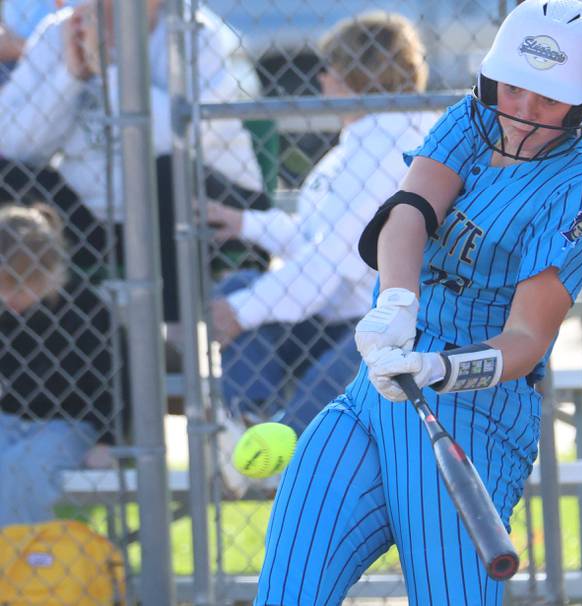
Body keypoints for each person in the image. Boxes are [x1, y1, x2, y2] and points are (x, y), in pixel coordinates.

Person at [252, 1, 582, 603]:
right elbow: (411, 211)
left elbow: (527, 340)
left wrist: (442, 370)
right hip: (374, 393)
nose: (521, 113)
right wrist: (396, 303)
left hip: (472, 416)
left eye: (546, 101)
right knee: (289, 587)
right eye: (513, 88)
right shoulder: (473, 119)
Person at [207, 11, 437, 437]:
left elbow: (330, 264)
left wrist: (241, 312)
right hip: (342, 313)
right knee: (240, 285)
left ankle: (277, 443)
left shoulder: (386, 144)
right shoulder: (365, 138)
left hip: (392, 323)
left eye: (328, 69)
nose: (321, 80)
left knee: (247, 303)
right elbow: (318, 237)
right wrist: (246, 224)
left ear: (351, 78)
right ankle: (249, 424)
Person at [0, 0, 263, 321]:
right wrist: (70, 77)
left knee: (166, 172)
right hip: (94, 221)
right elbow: (10, 145)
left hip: (201, 211)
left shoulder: (193, 32)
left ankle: (174, 337)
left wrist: (111, 69)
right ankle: (25, 325)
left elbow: (176, 139)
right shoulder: (60, 31)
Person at [0, 204, 123, 526]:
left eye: (17, 286)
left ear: (49, 274)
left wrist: (108, 442)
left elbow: (113, 382)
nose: (7, 296)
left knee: (18, 470)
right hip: (9, 419)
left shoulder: (86, 311)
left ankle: (16, 564)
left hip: (69, 424)